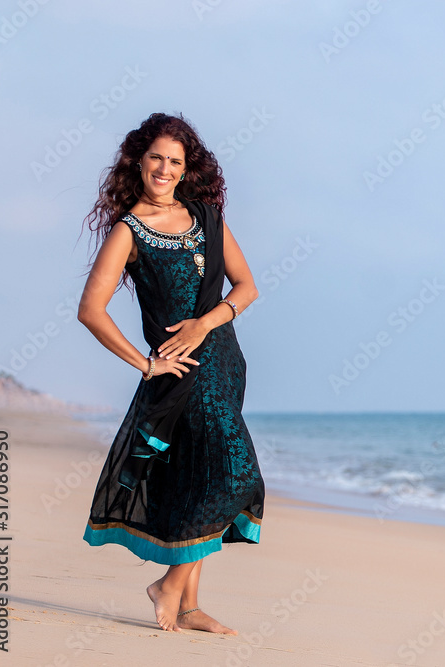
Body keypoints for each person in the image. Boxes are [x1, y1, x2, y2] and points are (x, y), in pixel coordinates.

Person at [77, 112, 264, 634]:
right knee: (237, 475)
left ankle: (188, 603)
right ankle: (168, 584)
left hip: (224, 362)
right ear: (139, 161)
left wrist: (206, 322)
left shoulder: (207, 217)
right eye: (156, 157)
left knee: (202, 473)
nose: (164, 168)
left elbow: (246, 287)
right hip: (180, 373)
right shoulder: (128, 230)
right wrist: (146, 363)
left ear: (187, 169)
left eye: (175, 161)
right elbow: (91, 309)